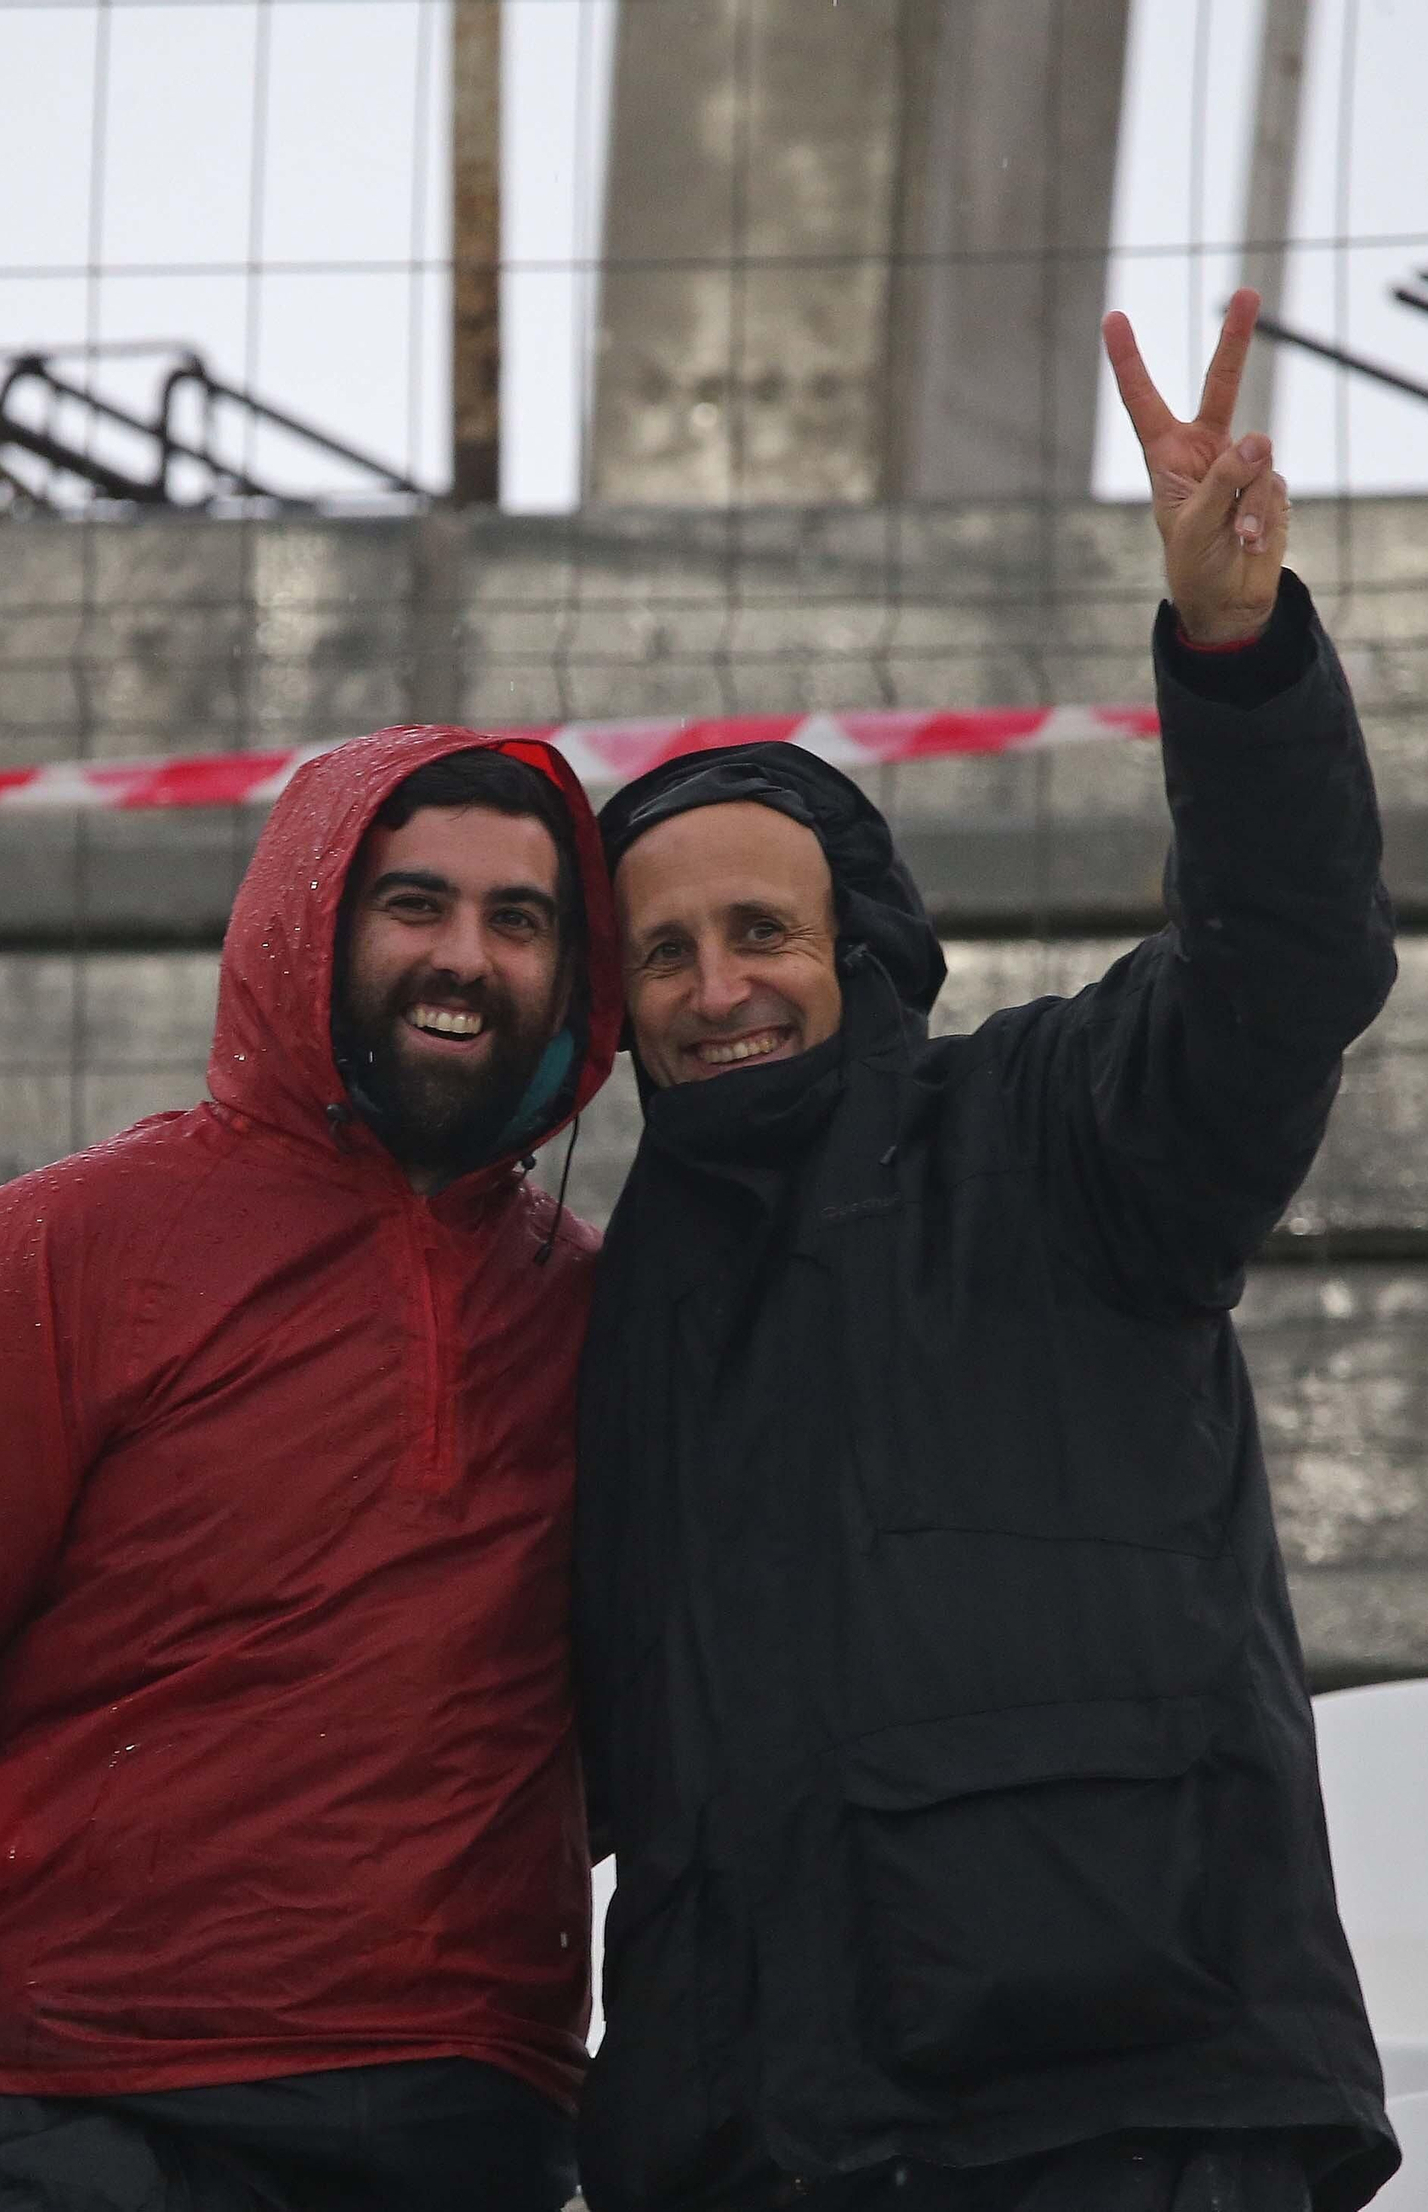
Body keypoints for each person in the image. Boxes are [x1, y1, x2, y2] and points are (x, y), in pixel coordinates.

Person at [573, 291, 1401, 2212]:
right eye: (665, 955)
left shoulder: (1056, 1135)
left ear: (858, 947)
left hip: (1127, 2123)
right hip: (763, 2151)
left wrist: (1235, 656)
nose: (718, 988)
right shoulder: (615, 1314)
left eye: (762, 934)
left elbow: (1288, 968)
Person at [0, 726, 622, 2212]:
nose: (466, 957)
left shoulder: (596, 1313)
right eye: (414, 904)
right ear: (305, 923)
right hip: (80, 2116)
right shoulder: (52, 1254)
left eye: (519, 919)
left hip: (468, 2115)